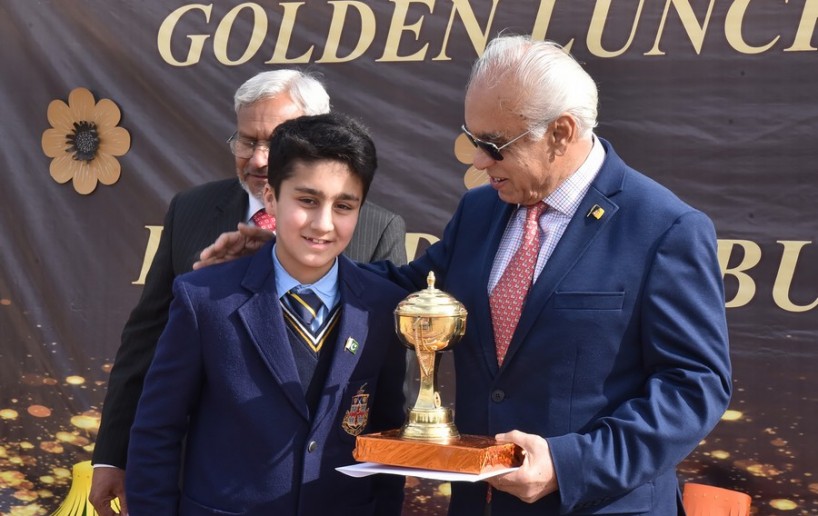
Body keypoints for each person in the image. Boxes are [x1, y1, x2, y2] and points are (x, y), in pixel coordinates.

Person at [197, 35, 732, 515]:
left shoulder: (663, 228)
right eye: (471, 138)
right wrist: (292, 259)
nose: (477, 160)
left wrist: (569, 465)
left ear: (561, 132)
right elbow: (403, 291)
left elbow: (694, 386)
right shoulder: (482, 210)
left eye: (494, 144)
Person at [89, 70, 407, 516]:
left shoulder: (379, 277)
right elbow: (150, 374)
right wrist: (113, 455)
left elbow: (385, 423)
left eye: (273, 142)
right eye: (248, 141)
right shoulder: (197, 264)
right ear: (273, 198)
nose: (259, 159)